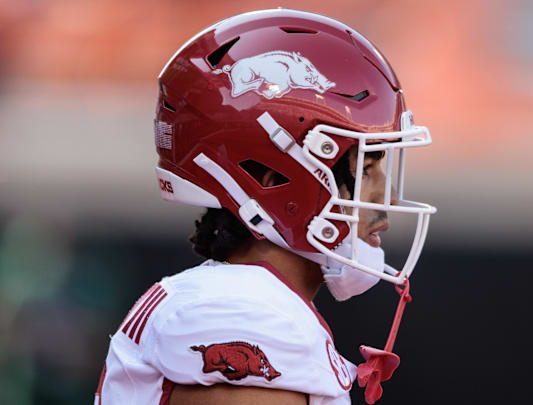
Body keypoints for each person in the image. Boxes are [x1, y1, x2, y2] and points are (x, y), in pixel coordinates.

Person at [94, 8, 436, 405]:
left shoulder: (239, 299)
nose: (386, 198)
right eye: (367, 168)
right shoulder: (243, 314)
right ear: (274, 179)